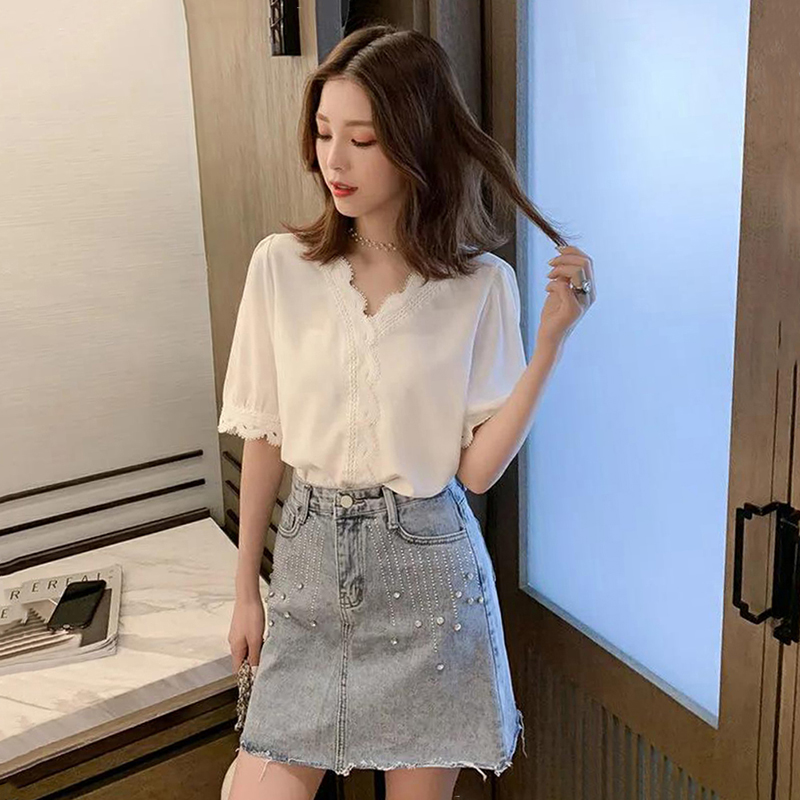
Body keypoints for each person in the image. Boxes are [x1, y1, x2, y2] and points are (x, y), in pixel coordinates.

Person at [220, 22, 595, 800]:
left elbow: (477, 470)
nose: (334, 160)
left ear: (417, 142)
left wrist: (551, 345)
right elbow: (264, 437)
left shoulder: (480, 287)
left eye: (362, 139)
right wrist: (245, 588)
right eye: (325, 132)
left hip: (430, 579)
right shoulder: (281, 268)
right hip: (308, 568)